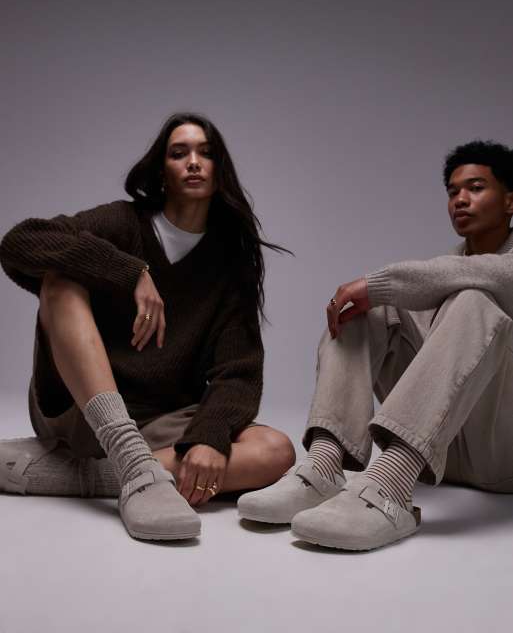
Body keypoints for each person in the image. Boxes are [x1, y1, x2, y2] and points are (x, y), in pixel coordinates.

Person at [0, 112, 295, 541]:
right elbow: (19, 242)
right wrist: (129, 271)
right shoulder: (122, 223)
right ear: (161, 171)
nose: (193, 162)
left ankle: (85, 476)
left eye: (206, 153)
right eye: (179, 153)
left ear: (220, 171)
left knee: (276, 451)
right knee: (60, 279)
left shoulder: (231, 264)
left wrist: (210, 438)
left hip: (159, 422)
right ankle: (132, 462)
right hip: (79, 410)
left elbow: (238, 373)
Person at [238, 140, 513, 551]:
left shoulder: (470, 274)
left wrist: (375, 284)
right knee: (365, 311)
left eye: (475, 188)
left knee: (474, 300)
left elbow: (490, 274)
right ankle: (324, 466)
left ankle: (390, 489)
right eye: (453, 191)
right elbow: (442, 278)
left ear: (510, 201)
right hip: (439, 453)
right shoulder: (443, 275)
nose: (460, 199)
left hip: (501, 456)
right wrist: (375, 296)